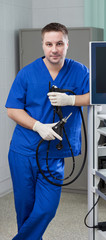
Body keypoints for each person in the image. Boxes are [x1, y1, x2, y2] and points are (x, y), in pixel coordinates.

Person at [5, 22, 89, 240]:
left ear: (67, 45)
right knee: (25, 212)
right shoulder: (27, 73)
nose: (54, 49)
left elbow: (94, 96)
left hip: (53, 155)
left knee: (46, 210)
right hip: (24, 151)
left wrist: (72, 99)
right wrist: (37, 126)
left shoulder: (79, 71)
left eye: (59, 43)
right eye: (49, 43)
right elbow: (12, 109)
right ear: (42, 45)